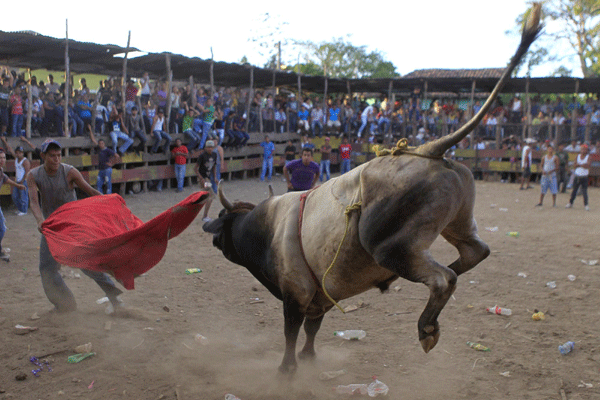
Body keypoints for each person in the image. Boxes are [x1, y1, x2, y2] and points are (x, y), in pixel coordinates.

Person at [27, 139, 124, 313]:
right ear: (42, 156)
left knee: (86, 264)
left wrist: (109, 204)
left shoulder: (69, 172)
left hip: (73, 225)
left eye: (58, 155)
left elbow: (91, 192)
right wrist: (39, 220)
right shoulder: (34, 175)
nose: (56, 159)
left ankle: (115, 297)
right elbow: (34, 202)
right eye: (51, 156)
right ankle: (65, 304)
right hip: (51, 227)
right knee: (47, 268)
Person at [0, 148, 26, 260]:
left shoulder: (0, 171)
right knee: (2, 228)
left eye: (4, 158)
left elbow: (5, 179)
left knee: (2, 228)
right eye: (0, 158)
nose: (2, 160)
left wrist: (17, 185)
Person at [1, 137, 30, 215]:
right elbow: (10, 149)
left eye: (20, 152)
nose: (18, 154)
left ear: (22, 153)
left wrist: (22, 180)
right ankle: (20, 209)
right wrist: (4, 140)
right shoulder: (17, 159)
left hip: (23, 181)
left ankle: (24, 211)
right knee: (15, 196)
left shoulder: (25, 161)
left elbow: (27, 172)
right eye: (17, 152)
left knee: (23, 196)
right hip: (17, 180)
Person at [195, 140, 217, 222]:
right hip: (203, 178)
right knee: (211, 195)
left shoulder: (214, 155)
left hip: (207, 178)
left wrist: (215, 178)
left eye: (211, 147)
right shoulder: (202, 156)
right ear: (205, 148)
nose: (210, 149)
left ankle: (197, 203)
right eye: (208, 147)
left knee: (208, 196)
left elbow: (214, 167)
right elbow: (195, 169)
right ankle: (205, 216)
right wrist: (201, 179)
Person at [566, 144, 591, 211]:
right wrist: (581, 165)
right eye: (582, 149)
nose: (583, 151)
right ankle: (570, 203)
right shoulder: (578, 156)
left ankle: (586, 205)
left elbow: (587, 165)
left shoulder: (588, 157)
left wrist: (579, 165)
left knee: (584, 192)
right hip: (577, 176)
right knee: (574, 191)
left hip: (584, 176)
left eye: (584, 149)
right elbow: (574, 165)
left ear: (586, 150)